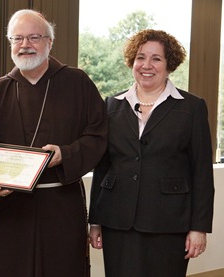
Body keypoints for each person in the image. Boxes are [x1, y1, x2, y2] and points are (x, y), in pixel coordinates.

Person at [0, 9, 108, 277]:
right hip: (11, 206)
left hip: (61, 202)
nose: (25, 45)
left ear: (49, 42)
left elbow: (99, 135)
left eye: (34, 37)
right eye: (17, 39)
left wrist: (66, 154)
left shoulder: (77, 82)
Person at [89, 29, 215, 277]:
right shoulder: (111, 105)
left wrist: (199, 227)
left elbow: (201, 171)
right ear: (132, 62)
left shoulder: (192, 107)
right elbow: (102, 167)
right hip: (117, 220)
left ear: (169, 64)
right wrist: (95, 220)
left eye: (156, 58)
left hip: (169, 222)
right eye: (140, 57)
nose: (147, 65)